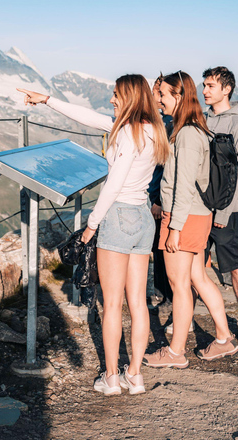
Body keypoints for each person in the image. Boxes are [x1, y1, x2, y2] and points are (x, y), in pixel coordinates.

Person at [18, 75, 169, 396]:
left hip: (117, 216)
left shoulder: (126, 135)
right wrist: (47, 100)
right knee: (138, 303)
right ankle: (136, 375)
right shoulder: (155, 131)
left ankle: (112, 377)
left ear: (128, 97)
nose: (111, 101)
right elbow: (89, 118)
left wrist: (90, 226)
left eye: (116, 96)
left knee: (112, 304)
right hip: (143, 216)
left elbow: (113, 185)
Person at [143, 71, 238, 369]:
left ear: (179, 96)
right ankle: (224, 338)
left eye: (163, 95)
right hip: (198, 216)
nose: (158, 99)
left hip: (182, 217)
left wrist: (174, 229)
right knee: (198, 277)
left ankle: (175, 352)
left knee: (179, 283)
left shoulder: (185, 134)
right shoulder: (197, 129)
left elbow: (183, 186)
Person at [202, 66, 238, 342]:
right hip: (199, 208)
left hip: (225, 210)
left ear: (227, 89)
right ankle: (185, 315)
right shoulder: (201, 121)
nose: (205, 91)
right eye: (204, 85)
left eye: (211, 86)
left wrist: (224, 211)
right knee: (194, 263)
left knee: (234, 263)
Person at [147, 76, 173, 308]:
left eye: (158, 92)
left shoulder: (168, 124)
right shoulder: (162, 121)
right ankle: (162, 293)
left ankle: (165, 295)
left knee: (161, 246)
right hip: (158, 195)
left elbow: (164, 167)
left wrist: (157, 200)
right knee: (158, 246)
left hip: (160, 198)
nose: (155, 97)